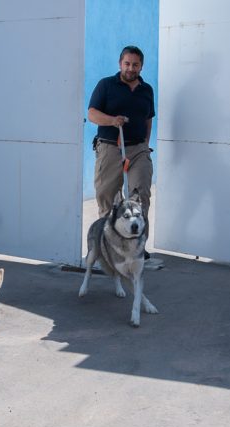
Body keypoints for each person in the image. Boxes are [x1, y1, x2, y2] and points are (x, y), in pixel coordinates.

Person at [88, 45, 159, 265]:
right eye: (127, 63)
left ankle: (137, 248)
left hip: (138, 149)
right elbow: (91, 114)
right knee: (108, 198)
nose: (130, 68)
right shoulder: (106, 85)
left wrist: (146, 145)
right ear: (120, 64)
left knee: (140, 198)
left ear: (141, 66)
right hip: (110, 146)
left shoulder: (146, 90)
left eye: (135, 64)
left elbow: (148, 118)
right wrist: (112, 120)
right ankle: (109, 249)